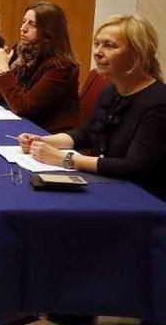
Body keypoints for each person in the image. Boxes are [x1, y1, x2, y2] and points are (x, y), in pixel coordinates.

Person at [19, 14, 166, 200]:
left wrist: (65, 160)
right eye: (97, 44)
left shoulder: (158, 103)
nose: (98, 52)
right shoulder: (111, 92)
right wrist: (43, 141)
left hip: (142, 201)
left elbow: (134, 167)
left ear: (137, 54)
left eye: (110, 46)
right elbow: (86, 134)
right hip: (109, 186)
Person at [0, 1, 80, 133]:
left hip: (47, 134)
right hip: (25, 126)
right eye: (24, 21)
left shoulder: (61, 67)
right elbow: (3, 98)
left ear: (49, 31)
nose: (23, 28)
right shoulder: (24, 51)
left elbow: (23, 108)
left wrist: (4, 70)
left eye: (32, 24)